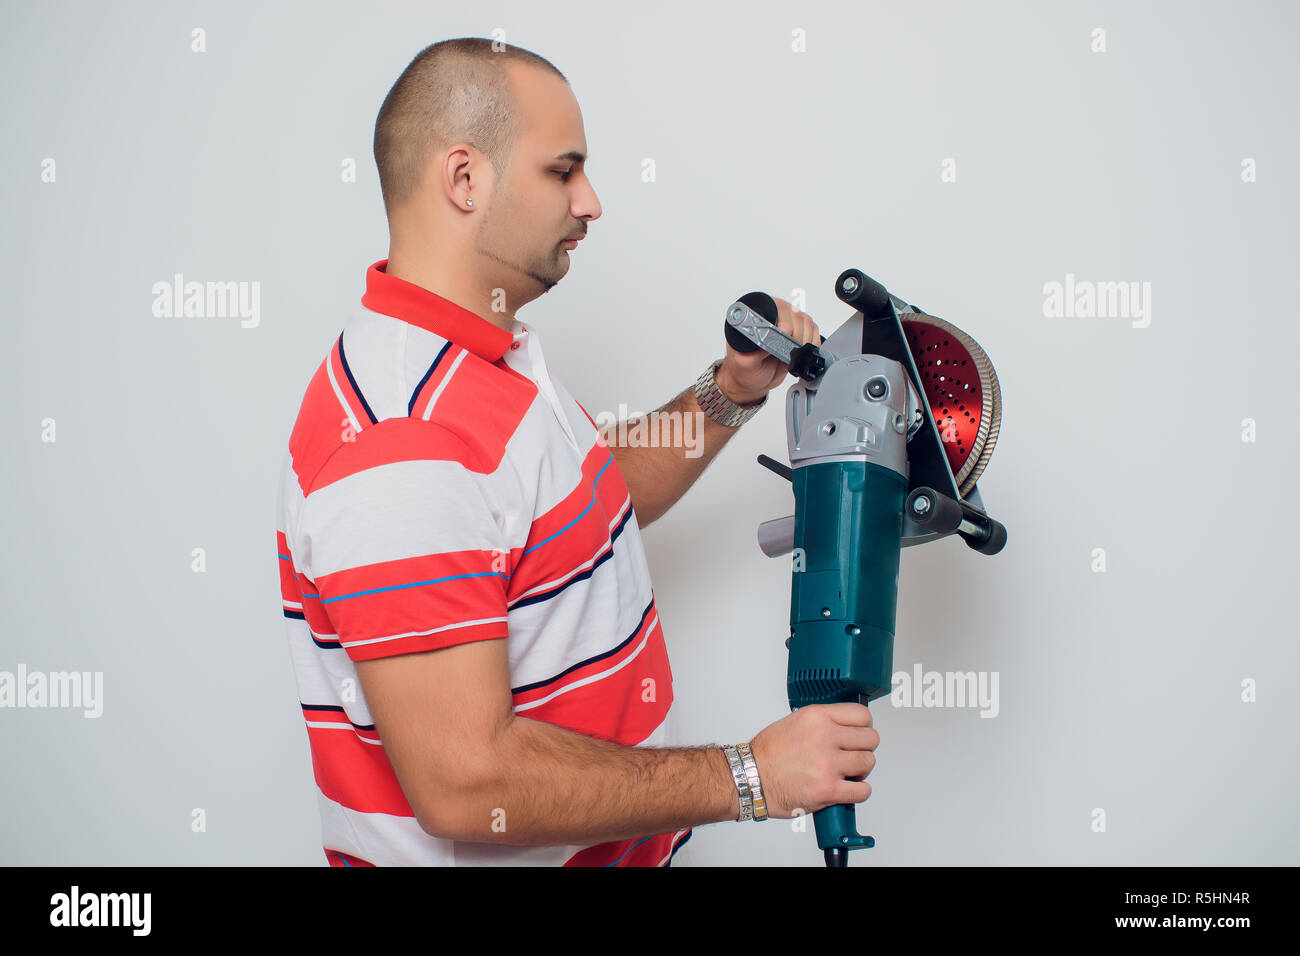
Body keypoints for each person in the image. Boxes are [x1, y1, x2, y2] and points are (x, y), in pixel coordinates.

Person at [275, 36, 879, 866]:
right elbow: (468, 783)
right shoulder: (400, 446)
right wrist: (752, 776)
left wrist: (730, 391)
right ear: (464, 178)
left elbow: (586, 498)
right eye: (563, 171)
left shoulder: (492, 352)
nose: (591, 202)